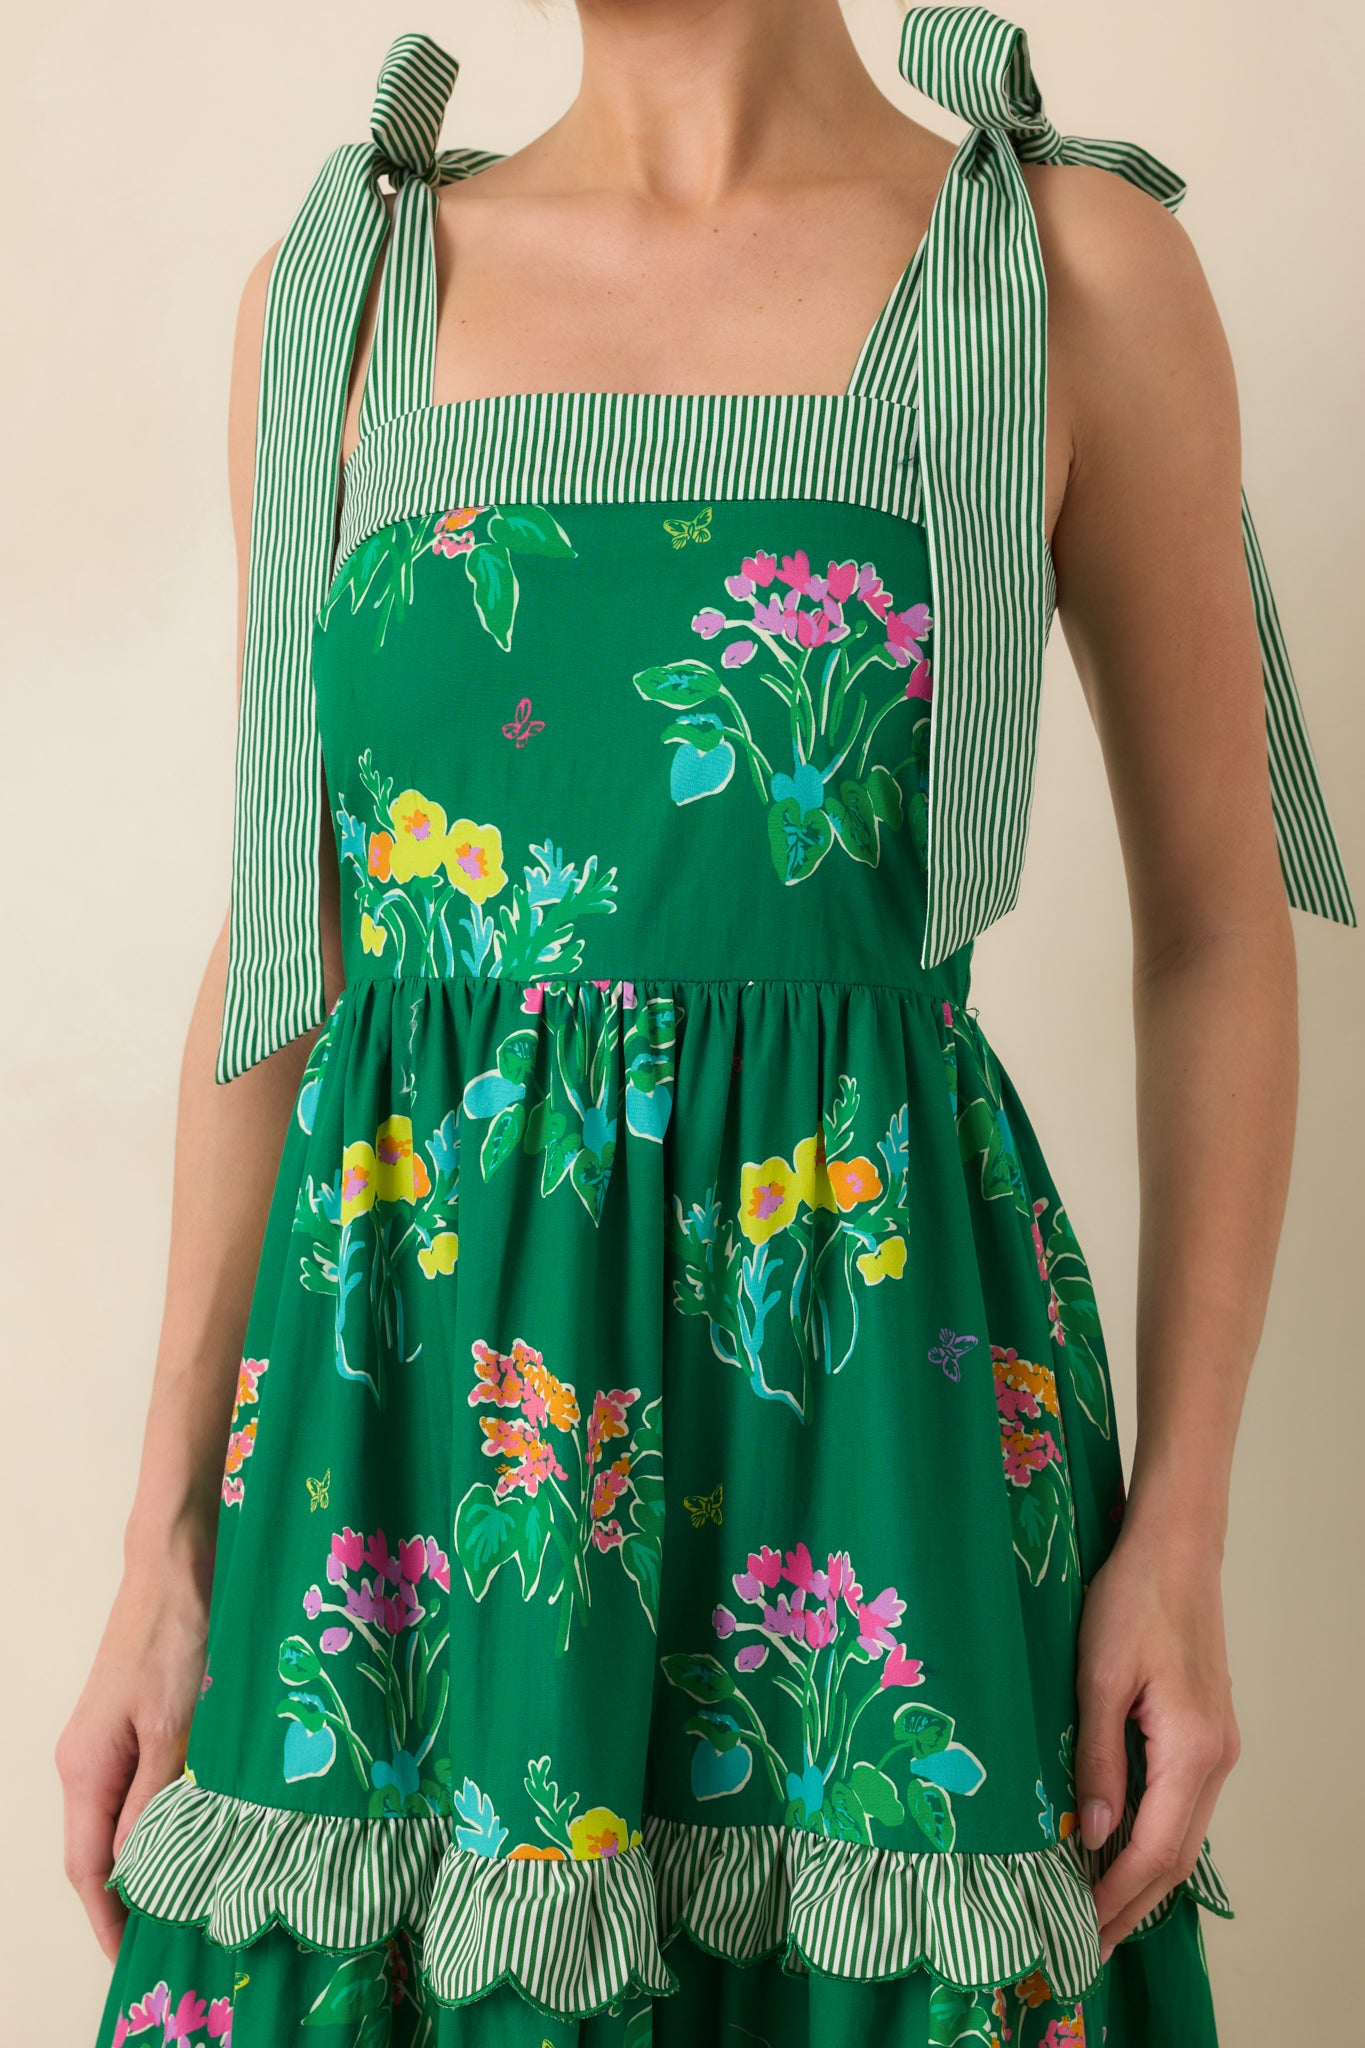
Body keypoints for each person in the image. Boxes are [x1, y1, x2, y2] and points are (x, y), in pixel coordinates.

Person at [61, 4, 1354, 2044]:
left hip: (872, 1423)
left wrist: (1178, 1535)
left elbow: (1211, 925)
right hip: (412, 1444)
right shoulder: (341, 295)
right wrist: (163, 1542)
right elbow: (283, 945)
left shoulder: (1062, 264)